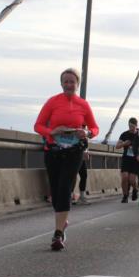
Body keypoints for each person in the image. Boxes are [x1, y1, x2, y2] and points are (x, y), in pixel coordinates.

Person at [34, 67, 99, 251]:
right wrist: (51, 131)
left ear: (77, 84)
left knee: (64, 187)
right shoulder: (52, 102)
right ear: (61, 83)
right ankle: (62, 222)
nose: (69, 84)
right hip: (53, 150)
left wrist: (86, 132)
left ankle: (58, 233)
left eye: (72, 81)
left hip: (74, 152)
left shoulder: (83, 105)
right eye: (66, 81)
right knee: (55, 191)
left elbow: (95, 128)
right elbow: (38, 125)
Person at [117, 118, 139, 203]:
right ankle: (125, 196)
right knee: (124, 178)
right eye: (130, 126)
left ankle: (135, 189)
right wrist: (124, 143)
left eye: (133, 127)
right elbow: (117, 146)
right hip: (126, 158)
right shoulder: (124, 134)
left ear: (136, 126)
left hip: (135, 159)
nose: (131, 128)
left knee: (132, 180)